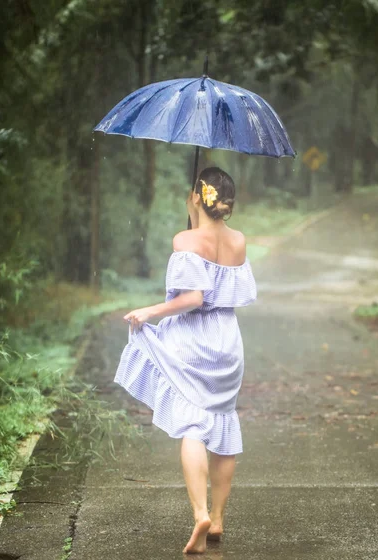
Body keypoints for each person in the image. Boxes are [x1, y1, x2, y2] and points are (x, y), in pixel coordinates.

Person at [115, 167, 257, 554]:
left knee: (194, 425)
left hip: (194, 339)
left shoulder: (185, 239)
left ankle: (199, 514)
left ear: (197, 196)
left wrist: (150, 310)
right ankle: (220, 518)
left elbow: (194, 298)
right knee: (223, 423)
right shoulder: (239, 240)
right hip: (227, 341)